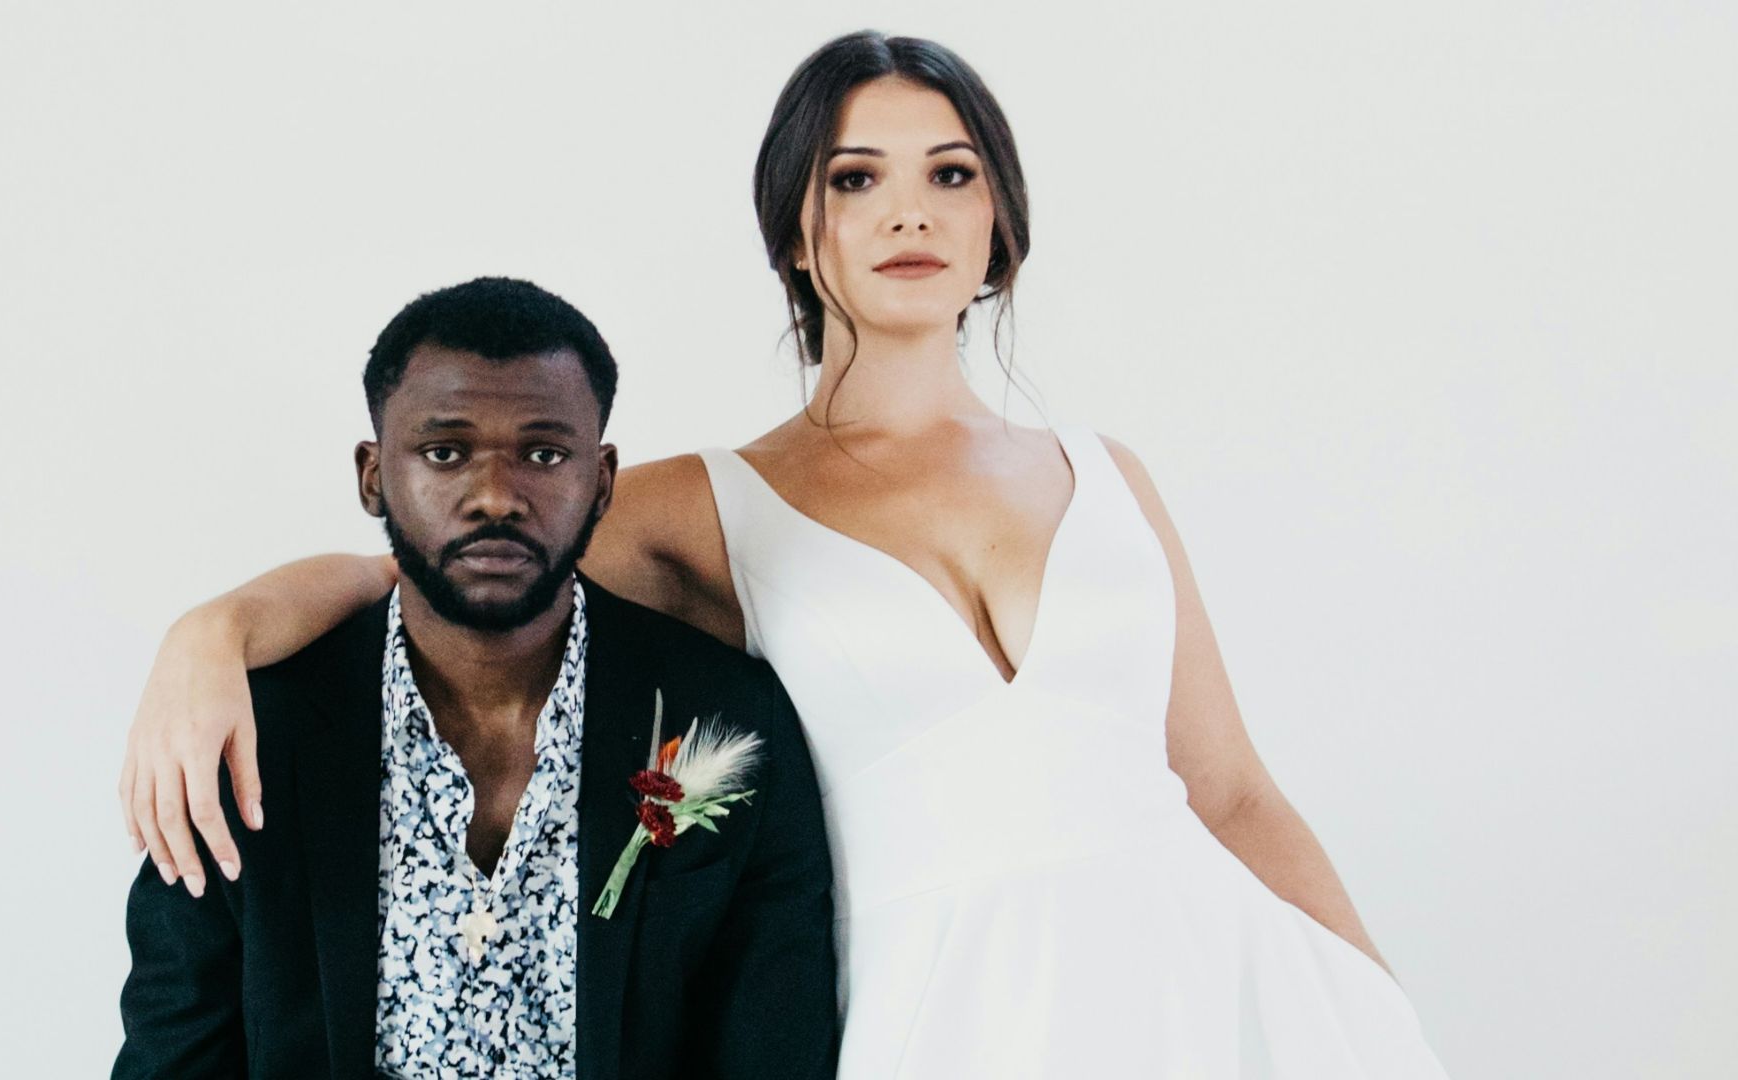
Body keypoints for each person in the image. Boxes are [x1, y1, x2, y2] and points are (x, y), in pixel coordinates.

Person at [120, 32, 1451, 1078]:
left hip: (1199, 999)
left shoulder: (1111, 479)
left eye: (951, 173)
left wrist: (1371, 1005)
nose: (909, 212)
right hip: (941, 1019)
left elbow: (1231, 797)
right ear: (798, 233)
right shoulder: (719, 504)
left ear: (999, 222)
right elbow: (470, 559)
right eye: (856, 179)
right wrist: (215, 631)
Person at [113, 277, 838, 1079]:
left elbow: (775, 1046)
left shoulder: (729, 719)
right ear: (372, 476)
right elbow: (173, 1050)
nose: (496, 497)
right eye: (445, 452)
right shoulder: (250, 732)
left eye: (543, 453)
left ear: (600, 482)